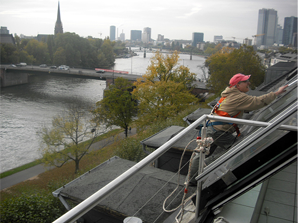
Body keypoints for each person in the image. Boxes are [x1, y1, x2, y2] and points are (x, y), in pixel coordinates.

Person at [188, 73, 288, 185]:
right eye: (246, 81)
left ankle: (192, 180)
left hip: (212, 128)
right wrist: (276, 93)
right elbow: (257, 102)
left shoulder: (228, 95)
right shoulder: (238, 97)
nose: (249, 83)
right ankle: (210, 167)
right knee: (236, 149)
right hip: (219, 131)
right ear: (237, 85)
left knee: (202, 152)